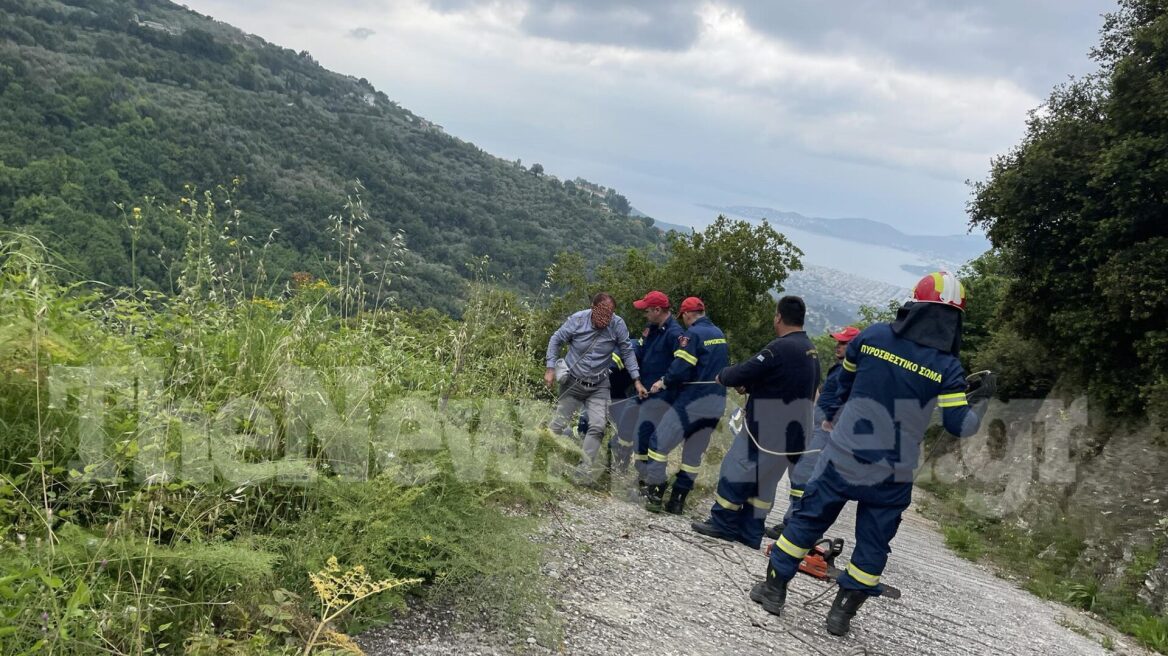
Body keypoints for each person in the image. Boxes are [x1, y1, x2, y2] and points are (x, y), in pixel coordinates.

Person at [750, 272, 990, 637]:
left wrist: (829, 415)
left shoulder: (873, 337)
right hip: (893, 472)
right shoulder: (948, 368)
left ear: (913, 307)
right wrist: (982, 399)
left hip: (843, 455)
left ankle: (773, 590)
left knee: (806, 521)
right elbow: (960, 425)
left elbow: (840, 384)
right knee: (874, 545)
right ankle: (840, 616)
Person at [690, 296, 819, 547]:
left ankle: (722, 523)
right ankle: (750, 532)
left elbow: (745, 370)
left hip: (767, 430)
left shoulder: (780, 347)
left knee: (736, 469)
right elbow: (784, 382)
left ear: (779, 317)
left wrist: (724, 376)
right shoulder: (809, 349)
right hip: (794, 435)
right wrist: (751, 386)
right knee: (765, 483)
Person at [764, 325, 861, 540]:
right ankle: (794, 523)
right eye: (838, 342)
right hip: (818, 428)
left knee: (803, 475)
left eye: (843, 343)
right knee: (803, 475)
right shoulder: (841, 369)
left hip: (827, 432)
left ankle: (794, 525)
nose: (838, 346)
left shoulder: (851, 372)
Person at [545, 293, 647, 481]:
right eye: (602, 314)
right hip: (573, 381)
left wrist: (637, 380)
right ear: (593, 307)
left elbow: (627, 352)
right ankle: (543, 457)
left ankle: (583, 470)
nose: (605, 320)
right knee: (559, 423)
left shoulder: (617, 324)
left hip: (599, 385)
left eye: (609, 315)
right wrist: (550, 368)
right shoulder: (577, 320)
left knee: (598, 426)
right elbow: (556, 339)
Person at [643, 297, 729, 514]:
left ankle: (655, 493)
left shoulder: (693, 334)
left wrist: (663, 382)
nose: (684, 320)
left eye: (683, 316)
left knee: (658, 443)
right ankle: (678, 501)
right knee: (692, 455)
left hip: (692, 403)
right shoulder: (719, 334)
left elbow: (681, 367)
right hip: (715, 405)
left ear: (688, 314)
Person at [624, 291, 685, 495]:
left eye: (647, 310)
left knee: (646, 436)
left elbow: (681, 364)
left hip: (661, 397)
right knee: (636, 433)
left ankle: (653, 483)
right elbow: (642, 352)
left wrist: (663, 381)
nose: (645, 314)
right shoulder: (651, 329)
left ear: (658, 310)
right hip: (642, 391)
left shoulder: (675, 334)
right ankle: (644, 478)